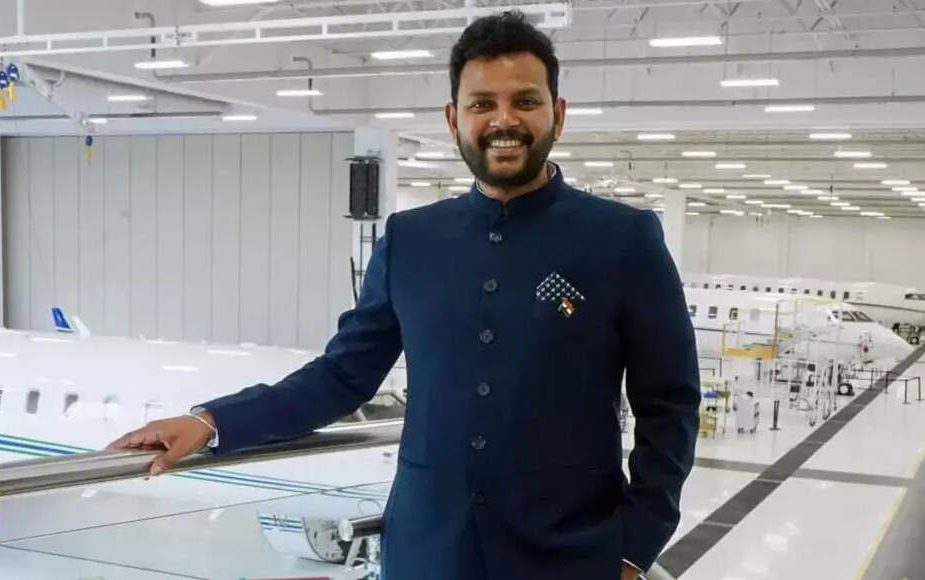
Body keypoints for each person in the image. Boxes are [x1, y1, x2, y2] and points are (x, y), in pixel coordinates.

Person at [110, 11, 700, 580]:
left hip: (570, 553)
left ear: (558, 114)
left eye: (525, 101)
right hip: (428, 551)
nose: (504, 120)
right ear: (453, 118)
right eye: (482, 104)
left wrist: (635, 546)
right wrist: (211, 421)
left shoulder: (622, 240)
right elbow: (343, 375)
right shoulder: (412, 240)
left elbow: (669, 403)